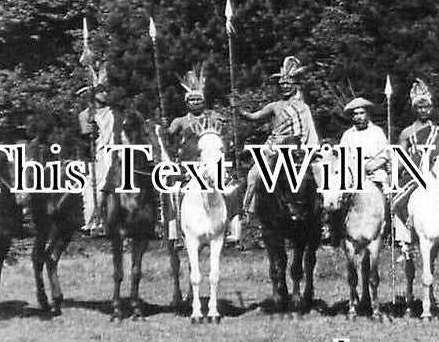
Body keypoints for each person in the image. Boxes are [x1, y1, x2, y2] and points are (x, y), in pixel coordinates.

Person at [239, 56, 323, 218]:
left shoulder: (302, 107)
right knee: (254, 174)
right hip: (274, 148)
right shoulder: (274, 106)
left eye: (288, 83)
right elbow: (255, 117)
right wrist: (241, 111)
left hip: (297, 149)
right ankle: (249, 212)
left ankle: (324, 211)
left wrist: (311, 148)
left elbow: (309, 128)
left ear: (294, 85)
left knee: (321, 174)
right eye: (282, 84)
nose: (285, 86)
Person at [392, 79, 439, 261]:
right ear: (415, 109)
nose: (423, 111)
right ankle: (406, 243)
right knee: (397, 200)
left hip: (435, 173)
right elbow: (402, 158)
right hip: (414, 173)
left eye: (426, 108)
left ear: (431, 109)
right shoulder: (407, 133)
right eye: (419, 108)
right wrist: (393, 172)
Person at [323, 97, 390, 244]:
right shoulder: (348, 135)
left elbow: (384, 157)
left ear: (367, 114)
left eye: (361, 113)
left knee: (388, 198)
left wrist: (368, 168)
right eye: (355, 114)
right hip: (353, 175)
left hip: (374, 173)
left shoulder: (377, 132)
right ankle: (335, 231)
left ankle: (387, 231)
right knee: (336, 196)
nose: (358, 117)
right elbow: (343, 157)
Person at [77, 65, 125, 234]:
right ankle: (92, 223)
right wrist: (90, 128)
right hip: (96, 155)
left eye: (106, 91)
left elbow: (122, 133)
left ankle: (116, 223)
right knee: (95, 190)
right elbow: (84, 134)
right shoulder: (86, 115)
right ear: (93, 94)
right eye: (100, 91)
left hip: (116, 153)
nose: (105, 94)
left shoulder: (115, 113)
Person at [166, 64, 228, 161]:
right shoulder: (180, 121)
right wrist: (164, 127)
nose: (196, 102)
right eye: (192, 99)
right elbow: (169, 133)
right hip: (189, 158)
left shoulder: (213, 115)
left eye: (198, 99)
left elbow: (224, 128)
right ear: (186, 102)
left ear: (203, 101)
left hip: (212, 155)